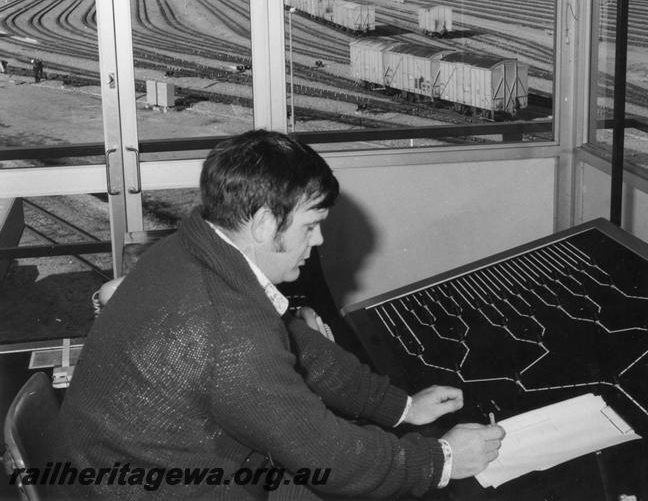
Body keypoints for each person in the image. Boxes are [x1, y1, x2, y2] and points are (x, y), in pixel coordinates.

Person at [58, 129, 504, 500]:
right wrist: (442, 459)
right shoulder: (229, 329)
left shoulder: (189, 248)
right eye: (310, 225)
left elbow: (295, 344)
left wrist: (401, 408)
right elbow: (332, 460)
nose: (319, 241)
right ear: (265, 224)